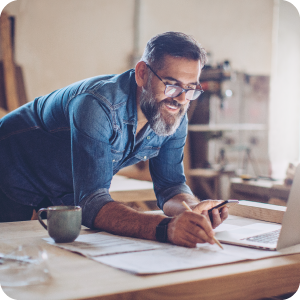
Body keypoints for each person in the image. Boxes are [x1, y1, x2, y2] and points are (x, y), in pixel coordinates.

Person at [0, 31, 228, 248]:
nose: (180, 98)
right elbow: (91, 203)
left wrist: (191, 209)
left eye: (190, 89)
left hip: (61, 183)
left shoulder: (174, 112)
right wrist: (165, 228)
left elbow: (170, 187)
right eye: (171, 85)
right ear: (142, 74)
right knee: (8, 256)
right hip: (11, 165)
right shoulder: (96, 105)